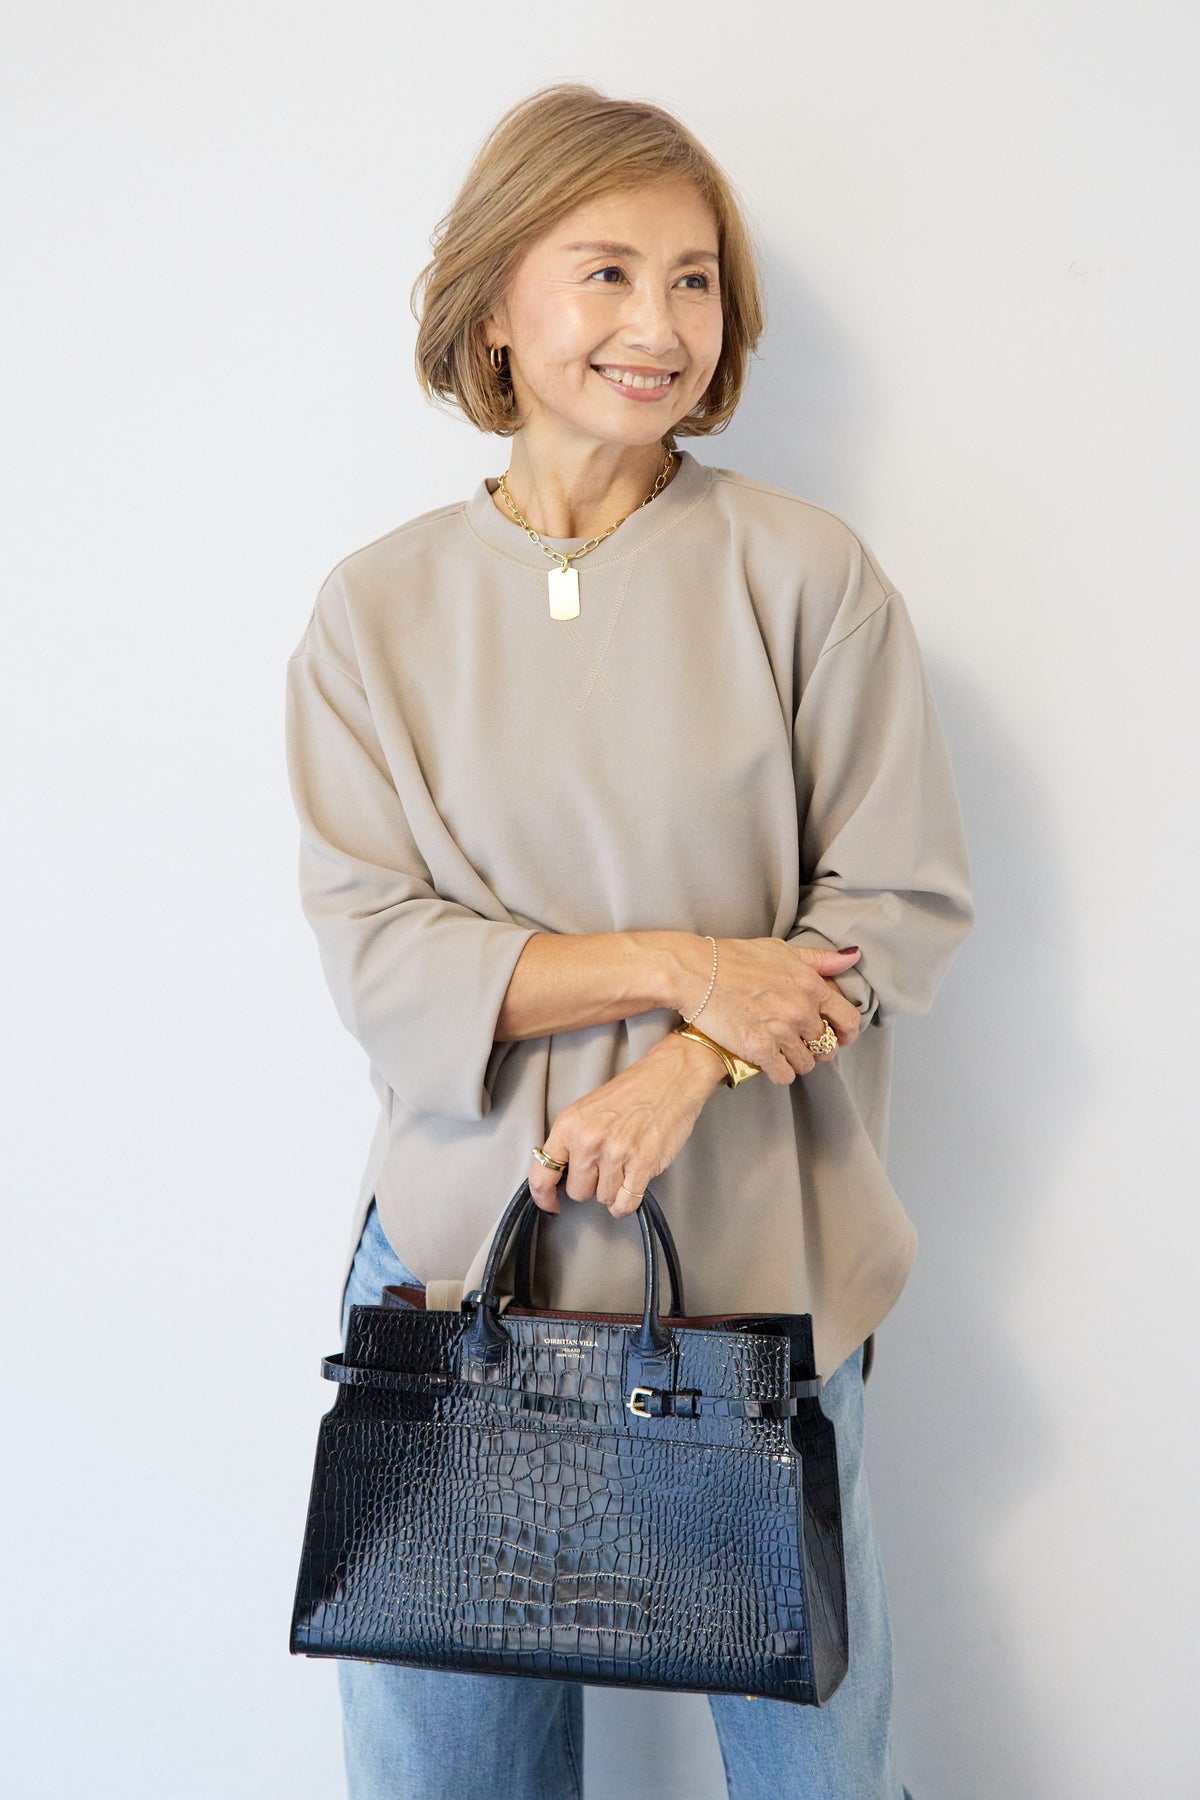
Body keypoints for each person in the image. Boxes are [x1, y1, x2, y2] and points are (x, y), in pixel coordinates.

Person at [285, 80, 973, 1800]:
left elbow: (894, 902)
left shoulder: (804, 575)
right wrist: (685, 961)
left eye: (694, 280)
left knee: (823, 1776)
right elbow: (381, 953)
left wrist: (689, 1067)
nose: (658, 326)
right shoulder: (376, 612)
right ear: (493, 307)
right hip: (456, 1271)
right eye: (605, 273)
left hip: (764, 1274)